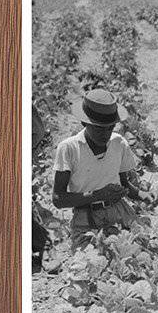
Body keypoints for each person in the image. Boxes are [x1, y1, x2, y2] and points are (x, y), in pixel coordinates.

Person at [52, 88, 141, 250]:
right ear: (84, 122)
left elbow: (125, 185)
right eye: (99, 128)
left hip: (119, 213)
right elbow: (58, 199)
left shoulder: (119, 143)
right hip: (86, 218)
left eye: (110, 127)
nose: (106, 133)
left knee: (135, 254)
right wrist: (97, 195)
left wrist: (143, 194)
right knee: (91, 263)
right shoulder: (69, 148)